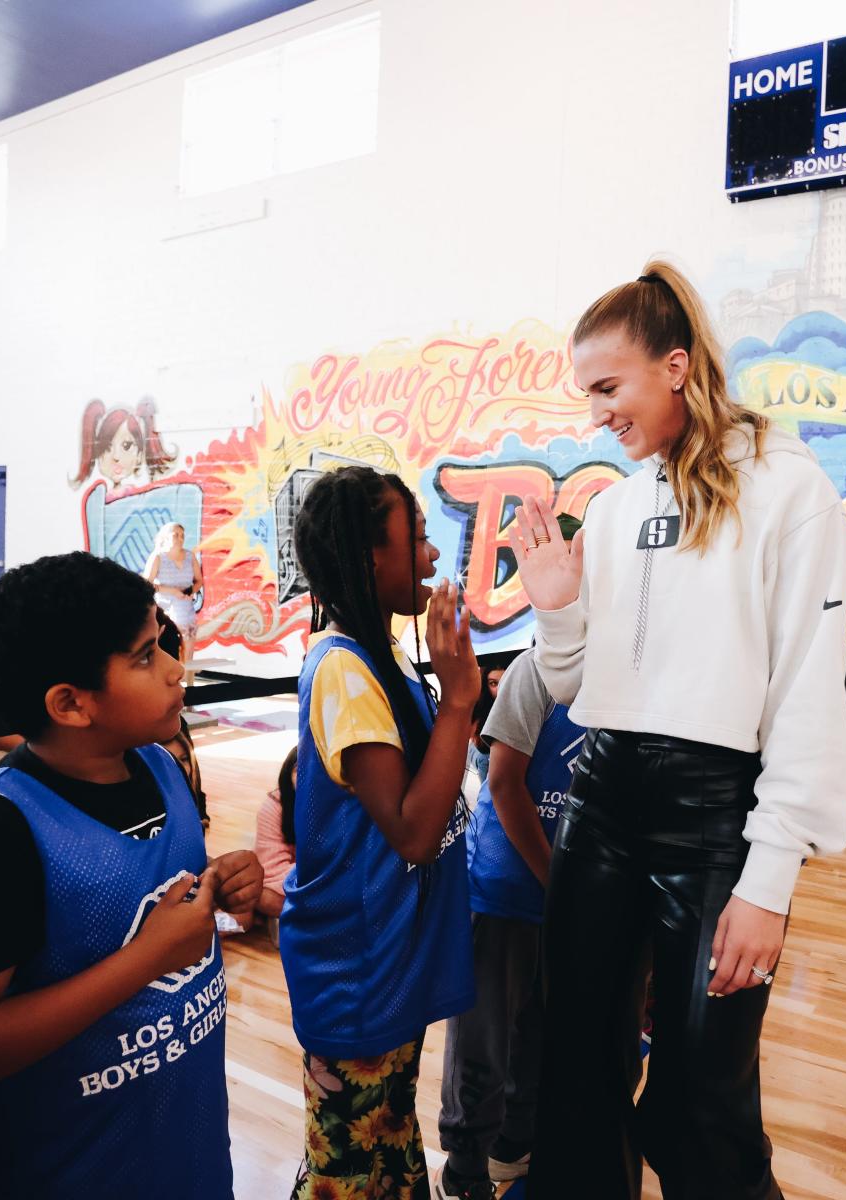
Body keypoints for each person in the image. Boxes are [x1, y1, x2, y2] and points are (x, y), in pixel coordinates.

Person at [510, 262, 846, 1200]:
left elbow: (808, 690)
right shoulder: (617, 509)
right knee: (577, 1077)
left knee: (700, 1104)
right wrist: (556, 612)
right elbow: (579, 687)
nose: (595, 416)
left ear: (675, 365)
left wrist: (771, 879)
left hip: (715, 818)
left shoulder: (788, 487)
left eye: (607, 388)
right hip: (602, 800)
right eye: (587, 394)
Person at [0, 551, 262, 1198]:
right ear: (70, 704)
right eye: (146, 656)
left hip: (195, 1160)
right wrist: (146, 961)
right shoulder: (10, 829)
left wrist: (219, 885)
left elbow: (152, 901)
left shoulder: (163, 768)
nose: (177, 670)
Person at [279, 466, 480, 1199]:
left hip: (389, 954)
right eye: (417, 537)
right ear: (371, 557)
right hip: (355, 968)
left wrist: (456, 697)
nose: (431, 556)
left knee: (389, 1136)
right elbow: (411, 834)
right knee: (348, 1166)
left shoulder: (381, 652)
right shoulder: (341, 668)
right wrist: (456, 703)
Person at [436, 517, 584, 1200]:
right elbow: (502, 782)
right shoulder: (534, 672)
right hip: (504, 893)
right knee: (483, 1049)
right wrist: (556, 878)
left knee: (541, 1038)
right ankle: (466, 1168)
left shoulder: (621, 672)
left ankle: (513, 1151)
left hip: (569, 900)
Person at [155, 609, 210, 826]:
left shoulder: (175, 724)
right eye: (145, 657)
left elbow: (193, 773)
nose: (178, 670)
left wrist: (199, 812)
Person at [254, 745, 298, 942]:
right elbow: (270, 869)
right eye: (299, 769)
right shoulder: (274, 806)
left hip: (328, 884)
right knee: (260, 896)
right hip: (301, 884)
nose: (307, 776)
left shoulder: (344, 804)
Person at [144, 523, 203, 658]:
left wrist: (191, 591)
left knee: (188, 653)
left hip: (186, 610)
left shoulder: (190, 556)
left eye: (182, 535)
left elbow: (199, 580)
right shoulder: (158, 557)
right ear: (165, 537)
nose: (180, 538)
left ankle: (188, 679)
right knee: (169, 651)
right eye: (175, 534)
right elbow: (147, 584)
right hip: (166, 610)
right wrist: (172, 591)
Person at [468, 663, 507, 784]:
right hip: (483, 750)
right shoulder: (480, 705)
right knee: (485, 759)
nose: (500, 689)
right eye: (493, 683)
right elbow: (482, 747)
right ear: (486, 684)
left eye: (505, 681)